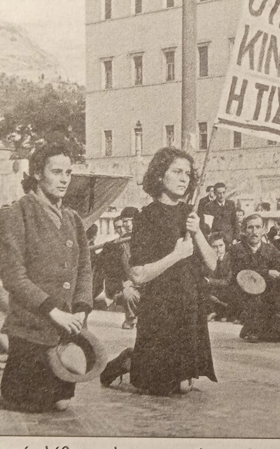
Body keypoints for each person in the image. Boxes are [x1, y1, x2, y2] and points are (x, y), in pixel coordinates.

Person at [0, 143, 92, 412]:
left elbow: (84, 268)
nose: (64, 179)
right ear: (37, 173)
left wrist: (82, 308)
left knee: (59, 403)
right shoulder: (15, 214)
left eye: (68, 173)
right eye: (56, 171)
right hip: (30, 327)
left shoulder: (73, 219)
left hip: (64, 328)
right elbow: (13, 277)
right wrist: (53, 310)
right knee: (27, 403)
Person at [100, 147, 217, 395]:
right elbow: (138, 275)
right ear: (160, 176)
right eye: (176, 171)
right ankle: (129, 361)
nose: (184, 178)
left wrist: (197, 234)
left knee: (183, 386)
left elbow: (212, 264)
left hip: (189, 304)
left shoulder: (192, 215)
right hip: (161, 308)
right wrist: (176, 255)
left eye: (187, 173)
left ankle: (140, 362)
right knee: (162, 387)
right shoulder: (146, 218)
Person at [228, 214, 280, 342]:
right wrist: (266, 273)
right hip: (245, 297)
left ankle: (253, 328)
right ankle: (253, 327)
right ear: (244, 230)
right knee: (254, 295)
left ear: (263, 230)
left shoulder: (271, 250)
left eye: (258, 227)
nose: (254, 232)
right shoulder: (235, 250)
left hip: (268, 299)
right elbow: (240, 273)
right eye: (250, 228)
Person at [99, 206, 139, 329]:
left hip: (149, 279)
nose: (127, 225)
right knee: (128, 293)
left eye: (129, 221)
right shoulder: (121, 243)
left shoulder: (147, 237)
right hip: (132, 282)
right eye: (125, 222)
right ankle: (131, 318)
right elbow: (116, 267)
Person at [205, 232, 235, 321]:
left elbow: (228, 281)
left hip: (227, 291)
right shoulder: (208, 259)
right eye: (214, 246)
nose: (218, 249)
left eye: (221, 245)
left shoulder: (231, 259)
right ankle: (214, 312)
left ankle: (218, 312)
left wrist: (209, 281)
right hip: (214, 290)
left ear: (225, 245)